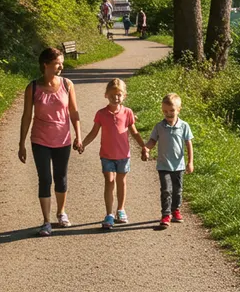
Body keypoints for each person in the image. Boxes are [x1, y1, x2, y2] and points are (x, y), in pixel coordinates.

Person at [18, 47, 83, 237]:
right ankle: (46, 221)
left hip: (63, 139)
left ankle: (61, 212)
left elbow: (74, 112)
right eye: (57, 63)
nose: (61, 67)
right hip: (40, 140)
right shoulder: (33, 87)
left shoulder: (67, 84)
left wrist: (78, 136)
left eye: (61, 63)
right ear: (45, 65)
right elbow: (26, 116)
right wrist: (21, 143)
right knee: (45, 179)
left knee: (61, 177)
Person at [80, 78, 148, 229]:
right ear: (106, 95)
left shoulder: (127, 113)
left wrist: (144, 146)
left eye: (119, 95)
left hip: (123, 155)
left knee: (121, 182)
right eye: (112, 95)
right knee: (109, 181)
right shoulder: (101, 114)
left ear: (124, 96)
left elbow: (134, 132)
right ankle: (109, 214)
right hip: (107, 155)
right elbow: (93, 132)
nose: (115, 98)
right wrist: (83, 144)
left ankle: (121, 209)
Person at [143, 92, 194, 229]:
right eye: (165, 111)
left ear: (179, 109)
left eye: (171, 110)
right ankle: (165, 214)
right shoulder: (159, 127)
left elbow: (188, 144)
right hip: (163, 164)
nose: (168, 113)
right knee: (166, 190)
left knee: (177, 190)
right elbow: (153, 140)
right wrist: (147, 149)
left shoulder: (184, 126)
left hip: (179, 165)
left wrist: (190, 162)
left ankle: (175, 210)